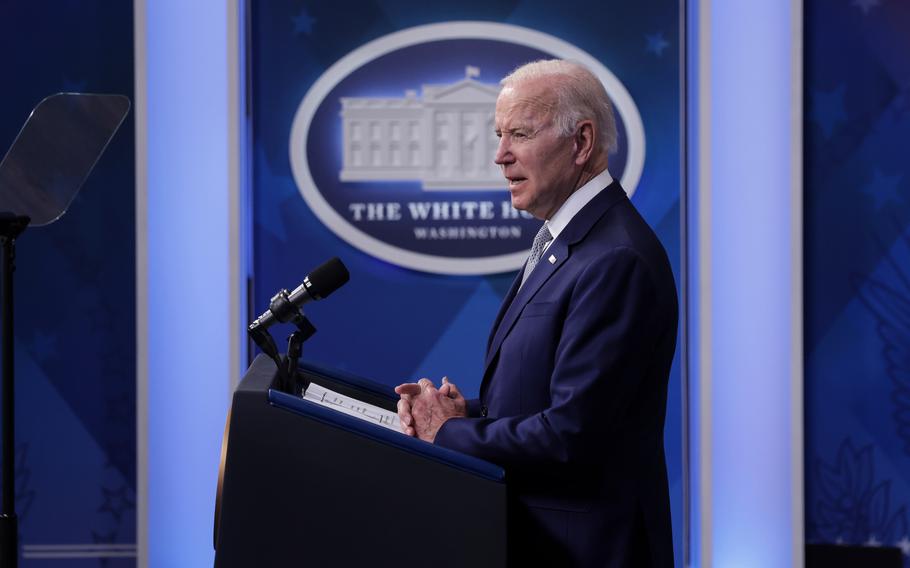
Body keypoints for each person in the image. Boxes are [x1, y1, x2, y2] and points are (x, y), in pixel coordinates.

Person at [395, 59, 678, 568]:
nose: (500, 157)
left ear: (581, 143)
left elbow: (573, 434)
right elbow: (549, 397)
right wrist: (470, 414)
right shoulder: (564, 241)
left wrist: (450, 434)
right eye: (499, 135)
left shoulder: (616, 257)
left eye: (520, 134)